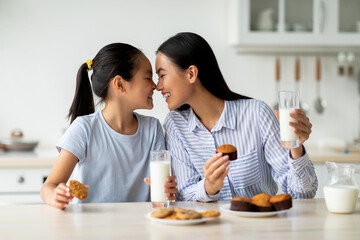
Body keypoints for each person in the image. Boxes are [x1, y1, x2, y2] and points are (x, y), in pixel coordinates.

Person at [155, 32, 317, 202]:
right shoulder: (175, 124)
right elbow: (184, 193)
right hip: (207, 227)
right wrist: (209, 186)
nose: (158, 86)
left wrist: (296, 148)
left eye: (162, 75)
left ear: (191, 74)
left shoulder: (257, 114)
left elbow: (303, 194)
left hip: (259, 225)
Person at [41, 43, 177, 210]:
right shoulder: (84, 128)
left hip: (138, 228)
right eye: (148, 78)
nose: (155, 86)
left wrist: (166, 189)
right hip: (90, 228)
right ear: (120, 84)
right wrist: (56, 195)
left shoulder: (152, 129)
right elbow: (49, 187)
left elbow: (161, 192)